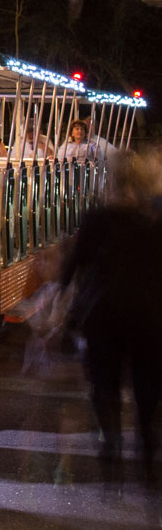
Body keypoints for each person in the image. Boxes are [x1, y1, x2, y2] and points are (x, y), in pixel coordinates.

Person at [58, 151, 162, 498]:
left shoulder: (97, 219)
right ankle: (147, 454)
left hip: (103, 312)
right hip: (148, 314)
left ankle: (111, 447)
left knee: (105, 385)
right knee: (147, 387)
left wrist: (64, 306)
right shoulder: (153, 219)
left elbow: (73, 265)